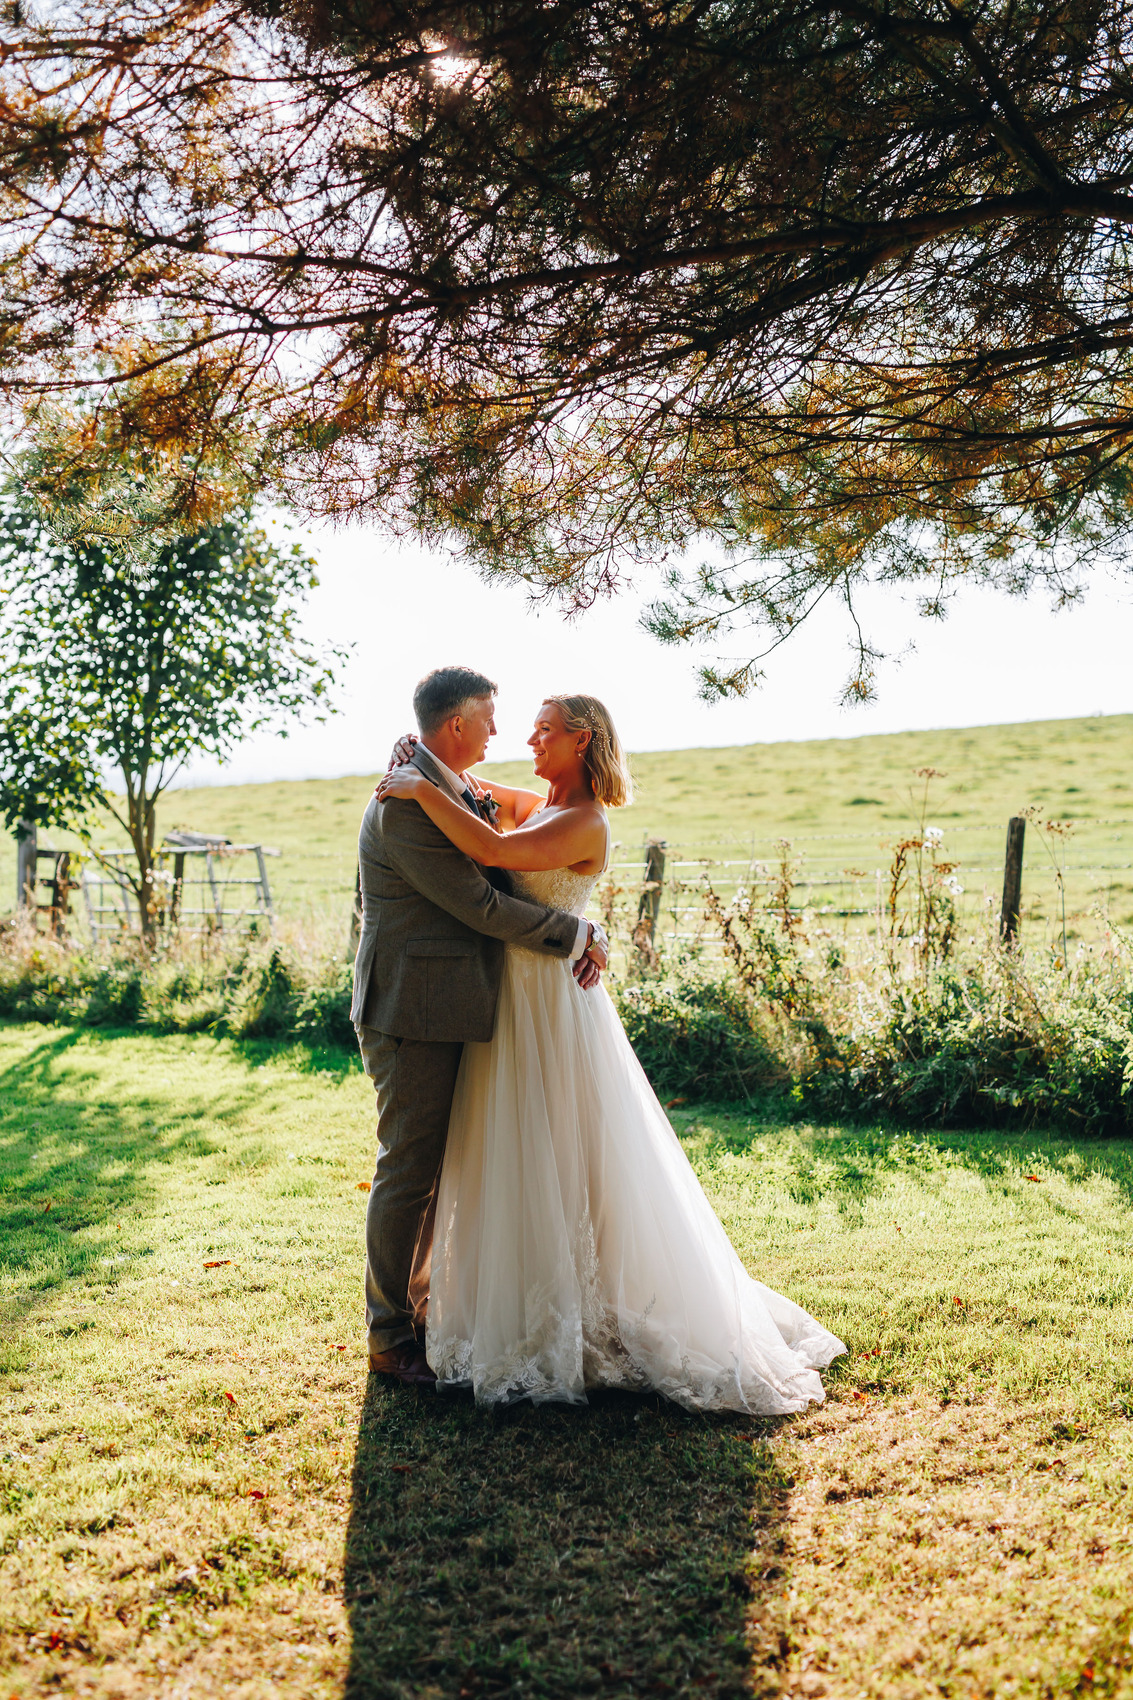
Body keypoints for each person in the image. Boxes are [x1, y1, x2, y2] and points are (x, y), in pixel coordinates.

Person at [375, 692, 845, 1412]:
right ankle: (507, 1300)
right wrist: (424, 770)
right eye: (522, 727)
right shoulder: (543, 803)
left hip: (551, 1007)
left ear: (581, 738)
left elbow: (493, 855)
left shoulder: (582, 819)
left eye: (542, 731)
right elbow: (479, 794)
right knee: (513, 1154)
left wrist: (418, 786)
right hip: (512, 1002)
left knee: (563, 1148)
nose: (525, 739)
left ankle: (570, 1309)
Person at [352, 666, 608, 1389]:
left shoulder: (445, 788)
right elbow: (484, 907)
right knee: (409, 1169)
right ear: (456, 725)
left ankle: (424, 1303)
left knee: (438, 1166)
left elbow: (507, 830)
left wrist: (585, 930)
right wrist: (577, 934)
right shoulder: (407, 805)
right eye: (490, 719)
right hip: (412, 1009)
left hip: (464, 1002)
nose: (502, 734)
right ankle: (389, 1333)